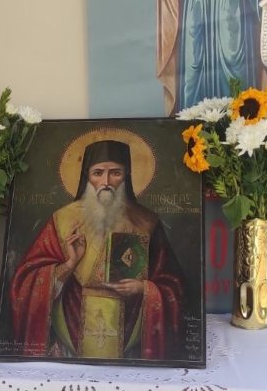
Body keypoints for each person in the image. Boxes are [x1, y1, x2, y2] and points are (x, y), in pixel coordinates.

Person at [9, 140, 185, 360]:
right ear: (87, 176)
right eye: (98, 173)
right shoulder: (62, 220)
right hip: (69, 341)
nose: (106, 182)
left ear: (127, 175)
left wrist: (143, 288)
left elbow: (173, 286)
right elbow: (26, 283)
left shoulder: (147, 222)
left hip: (130, 342)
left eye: (115, 173)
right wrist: (70, 264)